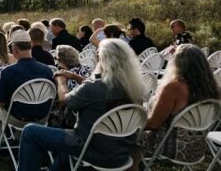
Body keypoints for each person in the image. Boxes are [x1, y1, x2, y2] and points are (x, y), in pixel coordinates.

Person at [17, 39, 146, 171]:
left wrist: (61, 81)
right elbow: (100, 90)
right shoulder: (135, 87)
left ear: (103, 59)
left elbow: (65, 101)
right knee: (70, 141)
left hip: (90, 148)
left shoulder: (94, 87)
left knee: (30, 131)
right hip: (120, 152)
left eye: (98, 56)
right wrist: (76, 77)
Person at [136, 44, 220, 166]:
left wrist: (135, 124)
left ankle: (134, 166)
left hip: (172, 148)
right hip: (197, 149)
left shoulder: (174, 87)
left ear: (178, 63)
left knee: (131, 136)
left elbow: (153, 124)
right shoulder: (213, 87)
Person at [0, 30, 54, 140]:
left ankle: (1, 140)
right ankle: (21, 137)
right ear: (31, 46)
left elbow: (0, 103)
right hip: (42, 118)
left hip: (18, 119)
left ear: (15, 50)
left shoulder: (8, 72)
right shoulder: (47, 70)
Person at [48, 45, 93, 129]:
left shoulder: (63, 76)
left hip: (73, 118)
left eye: (56, 58)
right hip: (88, 111)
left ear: (61, 60)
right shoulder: (88, 68)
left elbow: (63, 102)